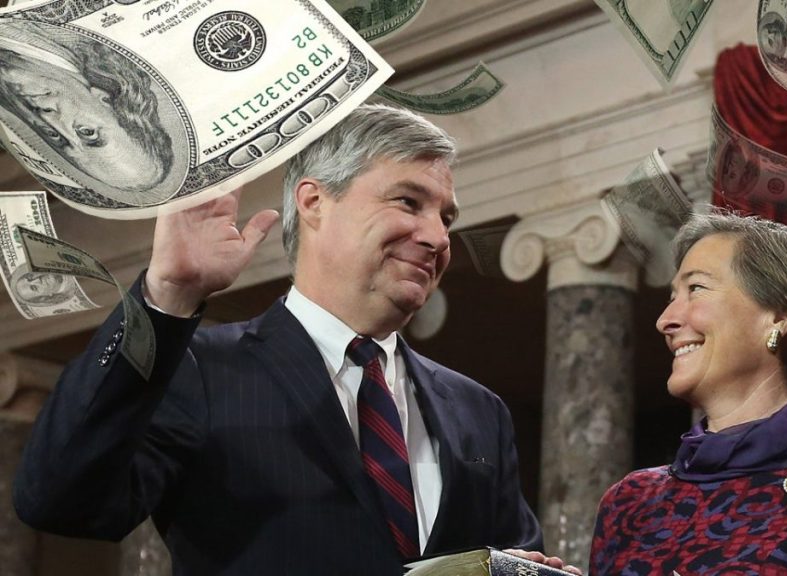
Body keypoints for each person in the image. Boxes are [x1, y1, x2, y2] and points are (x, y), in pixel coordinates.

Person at [14, 105, 551, 575]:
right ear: (314, 201)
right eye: (409, 202)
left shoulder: (479, 409)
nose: (437, 236)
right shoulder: (201, 370)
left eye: (446, 217)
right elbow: (61, 500)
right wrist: (167, 294)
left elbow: (515, 558)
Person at [589, 212, 787, 575]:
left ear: (780, 314)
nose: (665, 320)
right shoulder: (630, 502)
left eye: (695, 288)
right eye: (672, 296)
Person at [0, 20, 173, 198]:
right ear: (106, 100)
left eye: (58, 140)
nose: (50, 121)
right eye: (88, 132)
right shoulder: (47, 28)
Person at [11, 268, 76, 306]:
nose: (37, 279)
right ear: (44, 297)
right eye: (34, 287)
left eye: (30, 277)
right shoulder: (73, 292)